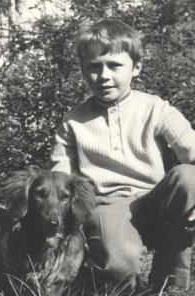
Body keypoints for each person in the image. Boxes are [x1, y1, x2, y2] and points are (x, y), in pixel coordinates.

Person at [48, 18, 195, 295]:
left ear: (136, 67)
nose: (104, 76)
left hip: (155, 203)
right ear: (83, 71)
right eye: (93, 67)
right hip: (107, 208)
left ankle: (165, 283)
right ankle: (117, 284)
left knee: (188, 177)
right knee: (118, 266)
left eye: (115, 65)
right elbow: (60, 182)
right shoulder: (73, 122)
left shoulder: (156, 109)